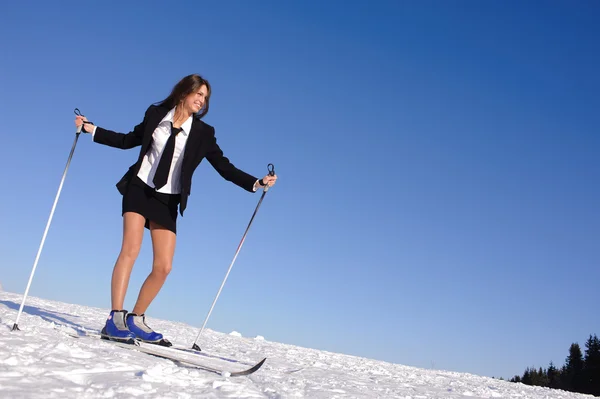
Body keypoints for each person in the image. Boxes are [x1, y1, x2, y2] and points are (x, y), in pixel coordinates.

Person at [74, 74, 277, 344]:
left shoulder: (204, 133)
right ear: (184, 92)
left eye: (205, 98)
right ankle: (115, 319)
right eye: (198, 94)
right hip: (140, 187)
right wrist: (92, 130)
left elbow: (223, 166)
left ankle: (136, 319)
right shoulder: (156, 114)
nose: (201, 100)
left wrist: (255, 182)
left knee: (164, 266)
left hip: (168, 199)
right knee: (130, 250)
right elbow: (128, 140)